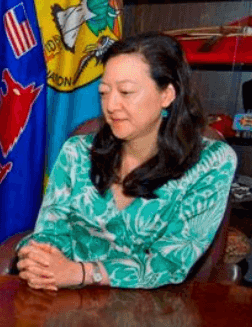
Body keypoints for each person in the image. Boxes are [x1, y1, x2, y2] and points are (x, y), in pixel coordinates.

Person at [17, 33, 237, 290]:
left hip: (152, 314)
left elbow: (169, 264)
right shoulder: (77, 152)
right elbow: (49, 232)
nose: (111, 105)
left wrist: (82, 273)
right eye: (104, 92)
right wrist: (39, 259)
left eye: (126, 92)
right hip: (65, 301)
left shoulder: (210, 163)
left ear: (166, 95)